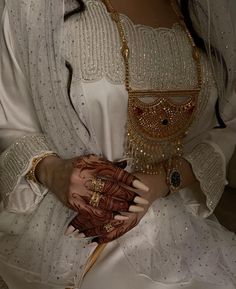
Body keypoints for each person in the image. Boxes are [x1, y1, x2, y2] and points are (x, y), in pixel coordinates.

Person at [0, 0, 236, 288]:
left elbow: (225, 126)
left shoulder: (206, 12)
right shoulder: (33, 7)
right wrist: (54, 172)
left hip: (176, 224)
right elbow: (10, 121)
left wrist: (161, 181)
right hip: (67, 226)